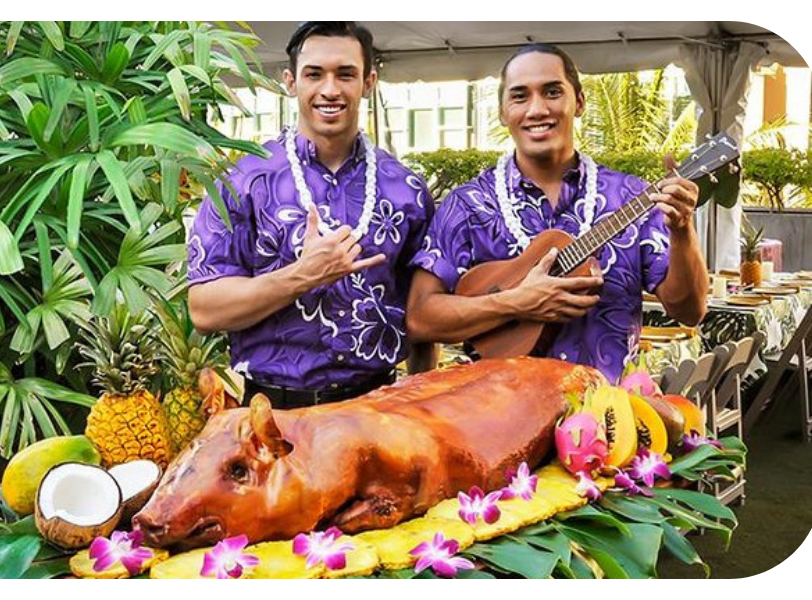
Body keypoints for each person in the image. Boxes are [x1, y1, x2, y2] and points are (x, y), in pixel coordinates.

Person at [406, 44, 708, 384]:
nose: (537, 109)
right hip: (496, 422)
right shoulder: (467, 205)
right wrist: (515, 303)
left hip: (605, 420)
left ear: (578, 102)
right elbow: (421, 319)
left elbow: (689, 311)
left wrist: (683, 230)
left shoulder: (632, 197)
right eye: (520, 96)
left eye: (552, 92)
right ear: (504, 111)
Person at [187, 21, 436, 408]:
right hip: (275, 417)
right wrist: (302, 276)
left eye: (346, 74)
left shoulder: (407, 190)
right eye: (314, 74)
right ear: (290, 81)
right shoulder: (243, 181)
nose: (330, 89)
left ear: (369, 82)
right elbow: (204, 308)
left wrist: (425, 407)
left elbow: (422, 316)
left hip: (380, 412)